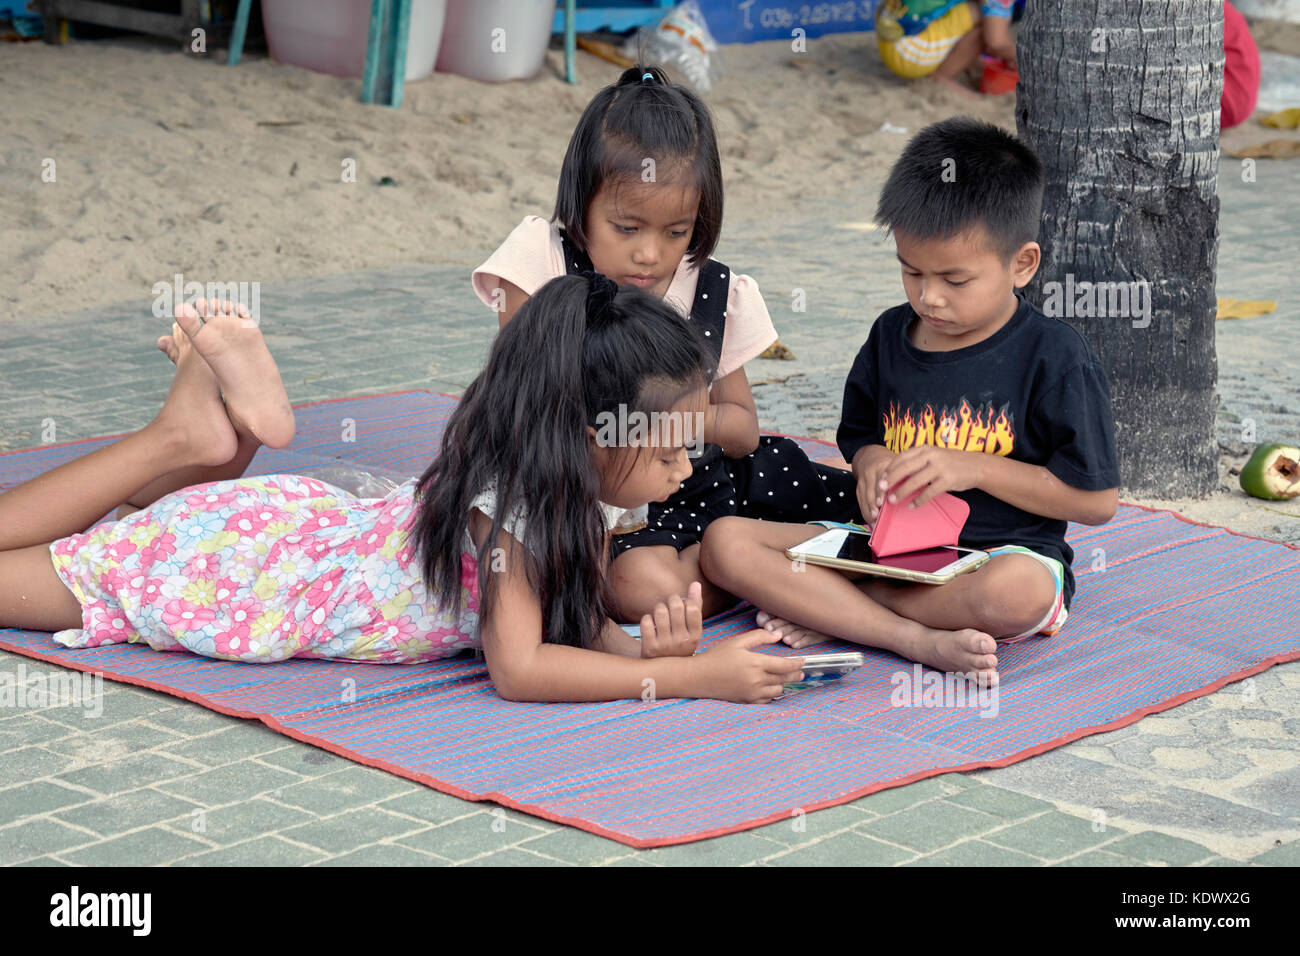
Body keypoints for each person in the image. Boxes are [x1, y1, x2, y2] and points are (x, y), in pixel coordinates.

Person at [0, 274, 803, 704]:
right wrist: (686, 680)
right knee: (94, 551)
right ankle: (179, 438)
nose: (688, 468)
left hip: (277, 535)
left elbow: (579, 633)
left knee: (129, 527)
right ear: (598, 435)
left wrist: (646, 655)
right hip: (236, 573)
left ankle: (204, 434)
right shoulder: (514, 517)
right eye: (667, 450)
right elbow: (521, 670)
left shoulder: (560, 488)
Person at [700, 117, 1121, 686]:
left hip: (997, 556)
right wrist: (871, 464)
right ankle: (907, 636)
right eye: (911, 271)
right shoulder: (890, 335)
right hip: (881, 547)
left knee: (1014, 596)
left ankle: (837, 608)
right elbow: (861, 439)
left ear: (1021, 264)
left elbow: (1095, 502)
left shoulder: (1054, 356)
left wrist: (973, 467)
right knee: (726, 542)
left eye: (955, 279)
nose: (929, 296)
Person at [472, 64, 857, 624]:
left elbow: (743, 430)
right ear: (580, 205)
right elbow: (521, 400)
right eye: (626, 228)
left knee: (854, 508)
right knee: (627, 589)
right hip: (586, 495)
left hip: (697, 490)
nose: (650, 255)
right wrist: (630, 432)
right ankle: (764, 573)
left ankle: (782, 558)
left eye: (676, 232)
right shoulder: (540, 260)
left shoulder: (713, 288)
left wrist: (665, 424)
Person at [874, 0, 1021, 96]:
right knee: (985, 19)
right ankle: (941, 76)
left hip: (890, 37)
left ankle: (965, 65)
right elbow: (996, 44)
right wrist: (1023, 60)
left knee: (984, 14)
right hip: (910, 53)